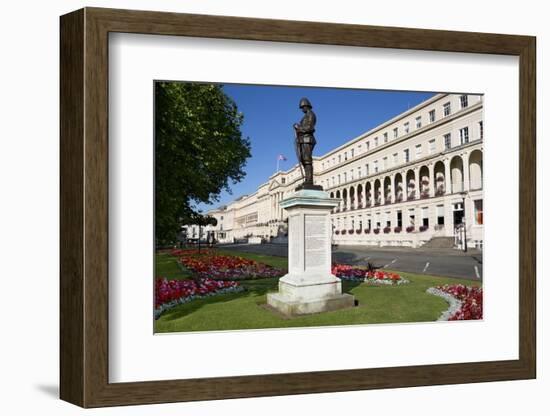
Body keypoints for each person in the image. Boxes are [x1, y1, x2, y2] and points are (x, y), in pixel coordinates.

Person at [293, 98, 322, 190]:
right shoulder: (305, 116)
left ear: (307, 106)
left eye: (303, 107)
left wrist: (298, 128)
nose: (302, 110)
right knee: (303, 159)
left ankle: (309, 181)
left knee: (307, 160)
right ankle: (307, 179)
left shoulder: (311, 115)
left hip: (308, 140)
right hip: (302, 140)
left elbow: (309, 128)